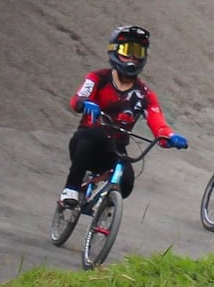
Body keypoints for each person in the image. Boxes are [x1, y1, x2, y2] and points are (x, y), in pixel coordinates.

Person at [59, 25, 189, 207]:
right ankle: (71, 189)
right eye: (127, 51)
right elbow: (77, 99)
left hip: (115, 149)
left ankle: (103, 212)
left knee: (126, 183)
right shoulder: (98, 78)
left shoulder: (145, 94)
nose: (132, 59)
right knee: (94, 134)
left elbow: (157, 122)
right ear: (114, 51)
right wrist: (85, 103)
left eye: (138, 52)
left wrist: (170, 136)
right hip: (85, 142)